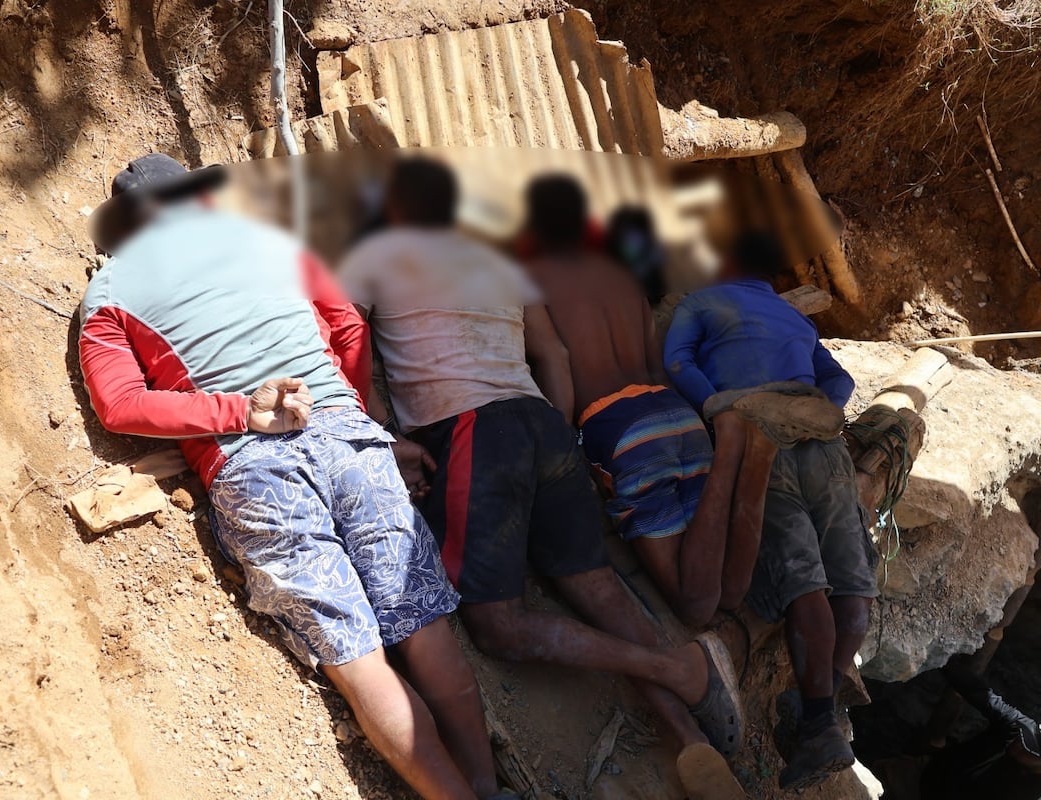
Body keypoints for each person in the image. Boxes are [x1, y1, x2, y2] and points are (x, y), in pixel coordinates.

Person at [77, 153, 507, 800]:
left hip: (250, 462)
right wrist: (353, 418)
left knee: (357, 659)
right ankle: (488, 785)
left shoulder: (110, 292)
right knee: (424, 627)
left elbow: (119, 404)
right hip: (346, 436)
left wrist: (238, 411)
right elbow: (347, 327)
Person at [337, 156, 749, 800]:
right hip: (543, 423)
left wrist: (387, 429)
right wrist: (562, 438)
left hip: (473, 428)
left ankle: (677, 666)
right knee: (599, 590)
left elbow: (348, 339)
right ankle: (689, 738)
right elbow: (551, 355)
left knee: (497, 625)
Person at [663, 229, 878, 791]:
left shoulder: (699, 302)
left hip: (764, 439)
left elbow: (677, 361)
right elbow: (842, 380)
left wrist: (719, 405)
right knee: (849, 576)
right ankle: (821, 713)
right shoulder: (796, 319)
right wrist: (812, 410)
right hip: (823, 444)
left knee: (803, 580)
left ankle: (816, 720)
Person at [521, 174, 779, 630]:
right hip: (675, 412)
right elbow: (657, 364)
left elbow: (557, 359)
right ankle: (741, 456)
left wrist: (564, 437)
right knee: (729, 590)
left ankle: (732, 460)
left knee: (694, 606)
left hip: (620, 428)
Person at [920, 659, 1041, 799]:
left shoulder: (1030, 794)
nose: (1020, 744)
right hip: (933, 775)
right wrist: (942, 659)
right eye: (1027, 740)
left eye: (1030, 749)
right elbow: (979, 693)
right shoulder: (1021, 727)